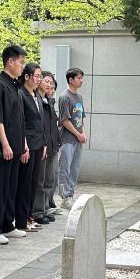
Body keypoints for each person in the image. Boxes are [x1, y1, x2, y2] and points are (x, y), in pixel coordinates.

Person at [0, 44, 27, 244]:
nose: (23, 66)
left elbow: (20, 119)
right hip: (6, 147)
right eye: (21, 62)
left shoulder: (15, 86)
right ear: (10, 61)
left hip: (17, 146)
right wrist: (5, 144)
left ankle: (8, 225)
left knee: (11, 188)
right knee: (1, 189)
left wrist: (23, 144)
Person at [16, 62, 46, 233]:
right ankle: (21, 220)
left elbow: (40, 122)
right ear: (27, 76)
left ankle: (29, 216)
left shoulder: (36, 96)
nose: (39, 79)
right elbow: (21, 123)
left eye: (40, 76)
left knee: (34, 183)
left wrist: (44, 143)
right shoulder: (21, 94)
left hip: (38, 144)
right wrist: (24, 145)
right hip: (28, 145)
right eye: (37, 76)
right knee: (25, 185)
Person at [33, 71, 61, 224]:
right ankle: (37, 211)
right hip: (42, 146)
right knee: (40, 181)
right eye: (46, 81)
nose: (49, 84)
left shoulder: (49, 101)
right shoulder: (36, 99)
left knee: (50, 179)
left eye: (51, 82)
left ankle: (45, 207)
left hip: (52, 146)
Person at [57, 67, 87, 208]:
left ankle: (71, 194)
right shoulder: (65, 97)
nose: (81, 80)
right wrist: (78, 134)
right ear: (70, 80)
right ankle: (65, 198)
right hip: (67, 139)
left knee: (75, 169)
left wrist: (83, 133)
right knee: (65, 169)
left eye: (81, 78)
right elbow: (65, 120)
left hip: (78, 139)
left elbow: (81, 118)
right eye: (79, 78)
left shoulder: (79, 97)